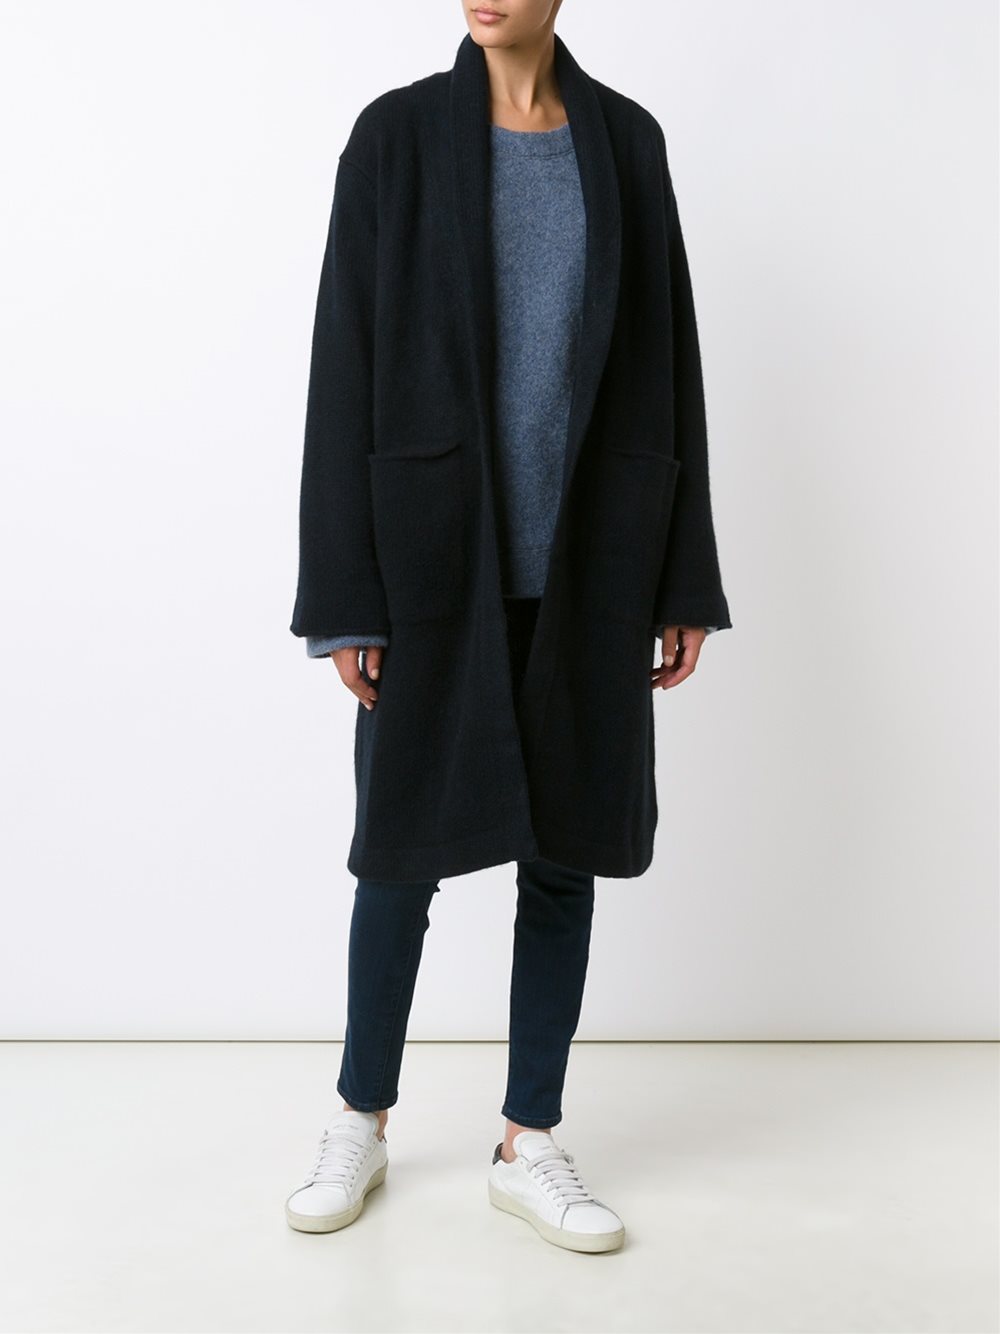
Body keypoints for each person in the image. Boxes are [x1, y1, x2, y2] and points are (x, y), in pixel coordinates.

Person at [284, 0, 731, 1254]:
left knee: (565, 850)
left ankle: (528, 1135)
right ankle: (359, 1118)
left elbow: (669, 361)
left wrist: (681, 577)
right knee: (398, 852)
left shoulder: (625, 142)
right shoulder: (395, 139)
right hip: (431, 560)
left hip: (592, 553)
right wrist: (346, 595)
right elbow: (342, 362)